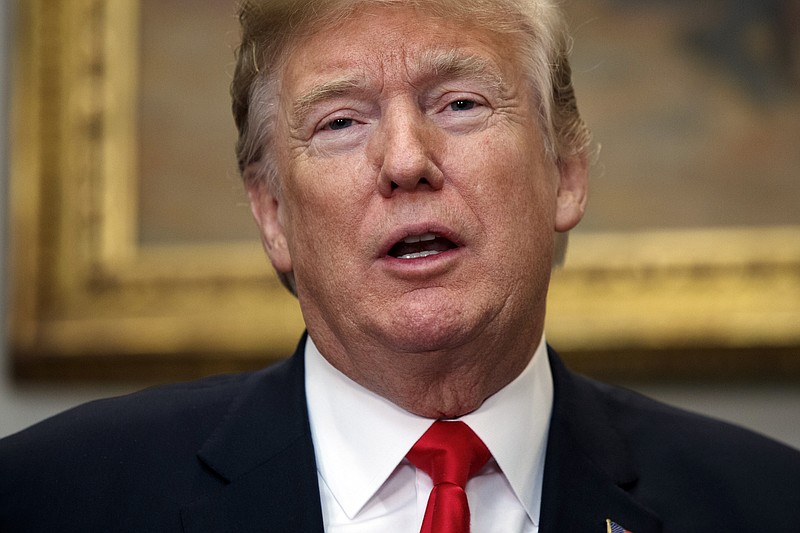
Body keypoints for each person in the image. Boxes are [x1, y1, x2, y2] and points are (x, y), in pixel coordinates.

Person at [2, 0, 799, 531]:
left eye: (459, 103)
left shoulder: (765, 503)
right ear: (273, 213)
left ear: (566, 169)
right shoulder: (50, 497)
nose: (407, 160)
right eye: (342, 120)